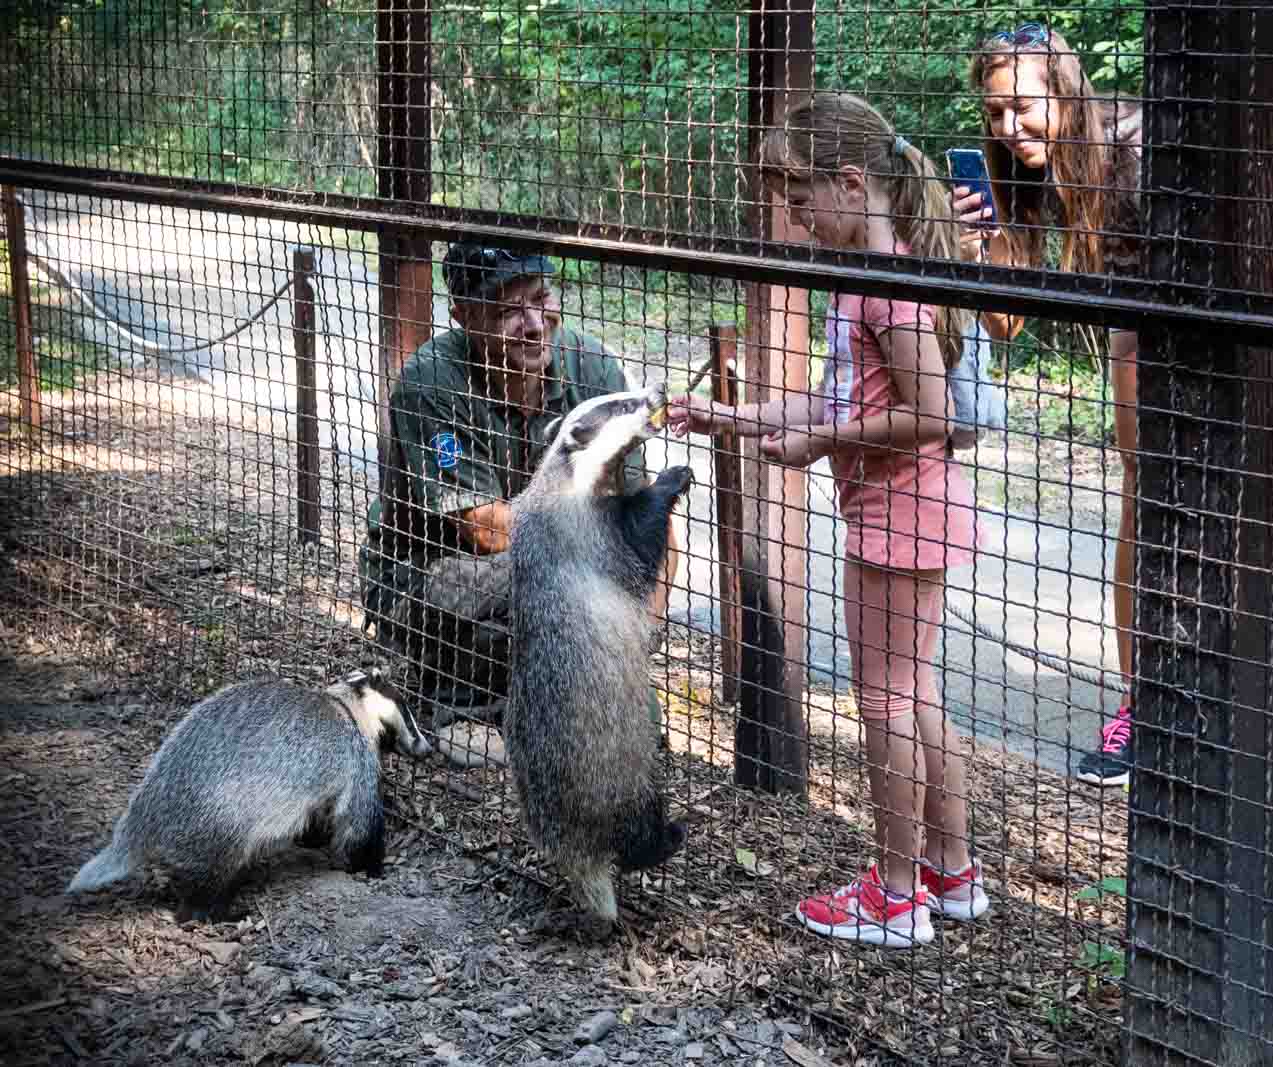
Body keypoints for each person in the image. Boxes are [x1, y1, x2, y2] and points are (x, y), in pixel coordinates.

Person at [668, 92, 990, 947]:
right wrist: (733, 420)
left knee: (882, 700)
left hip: (900, 513)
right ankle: (950, 874)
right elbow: (838, 397)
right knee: (913, 693)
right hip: (903, 508)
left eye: (801, 196)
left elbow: (929, 414)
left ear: (851, 182)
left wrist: (818, 446)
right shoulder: (865, 279)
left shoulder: (887, 286)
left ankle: (893, 893)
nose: (795, 214)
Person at [359, 241, 679, 737]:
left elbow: (647, 513)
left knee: (606, 656)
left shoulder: (592, 367)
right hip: (432, 573)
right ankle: (458, 698)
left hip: (557, 555)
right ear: (464, 315)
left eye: (541, 298)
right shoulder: (432, 382)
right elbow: (487, 531)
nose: (532, 323)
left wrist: (639, 634)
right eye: (508, 310)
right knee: (536, 610)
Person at [953, 22, 1146, 786]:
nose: (1008, 127)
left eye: (1022, 107)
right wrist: (978, 249)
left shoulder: (1131, 142)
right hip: (1137, 316)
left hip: (1192, 310)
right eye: (995, 113)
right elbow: (1006, 319)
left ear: (1063, 90)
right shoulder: (1015, 165)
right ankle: (1146, 706)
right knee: (1143, 490)